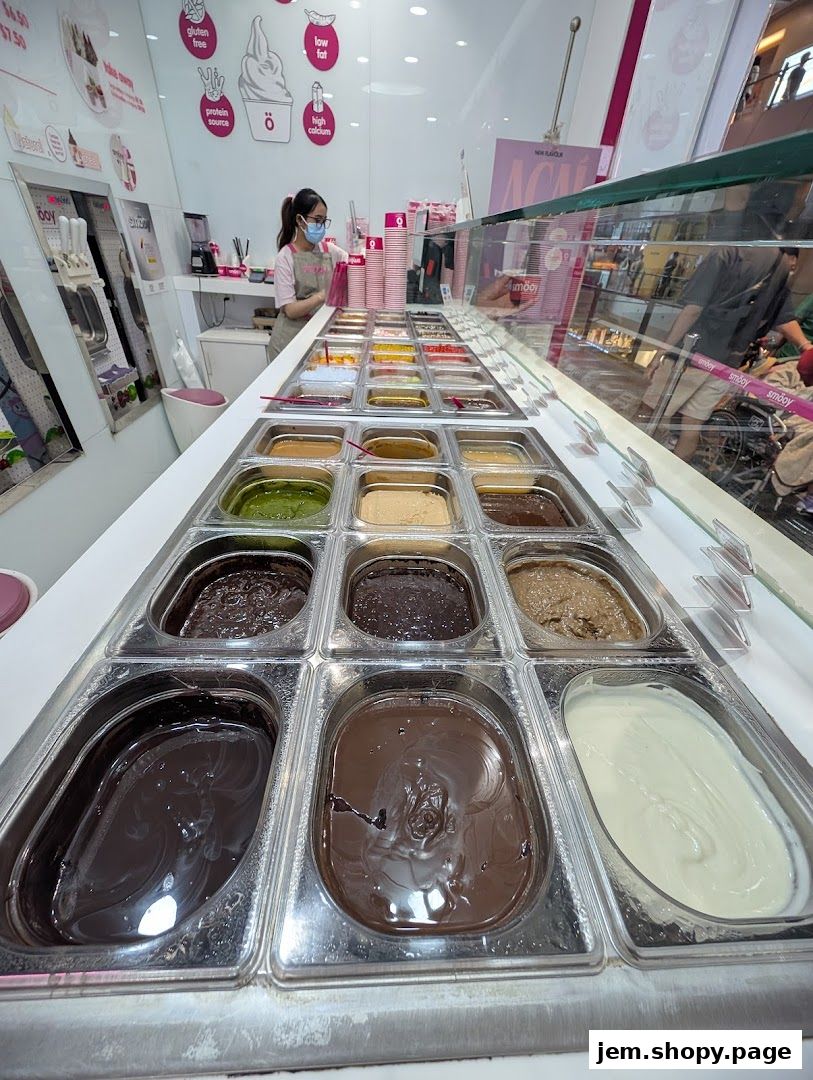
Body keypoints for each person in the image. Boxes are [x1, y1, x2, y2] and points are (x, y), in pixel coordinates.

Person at [638, 246, 812, 461]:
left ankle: (628, 467)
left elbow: (693, 309)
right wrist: (807, 347)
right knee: (691, 427)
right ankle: (665, 479)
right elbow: (784, 318)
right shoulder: (780, 269)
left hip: (692, 356)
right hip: (727, 365)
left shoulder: (729, 251)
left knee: (649, 413)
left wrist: (661, 352)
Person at [267, 188, 347, 359]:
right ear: (300, 220)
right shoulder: (285, 257)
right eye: (317, 220)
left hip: (317, 337)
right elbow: (290, 310)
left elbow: (354, 264)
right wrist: (323, 296)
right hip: (289, 342)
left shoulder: (329, 250)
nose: (321, 226)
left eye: (324, 221)